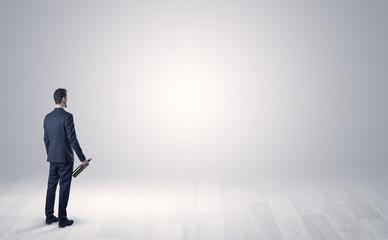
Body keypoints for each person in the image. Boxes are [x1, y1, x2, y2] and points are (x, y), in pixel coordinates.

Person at [43, 88, 89, 228]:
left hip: (53, 158)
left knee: (51, 186)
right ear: (63, 99)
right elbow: (73, 140)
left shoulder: (47, 117)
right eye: (67, 97)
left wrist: (50, 154)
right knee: (64, 188)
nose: (67, 99)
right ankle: (62, 219)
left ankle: (49, 216)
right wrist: (82, 159)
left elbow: (46, 139)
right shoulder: (67, 117)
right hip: (65, 159)